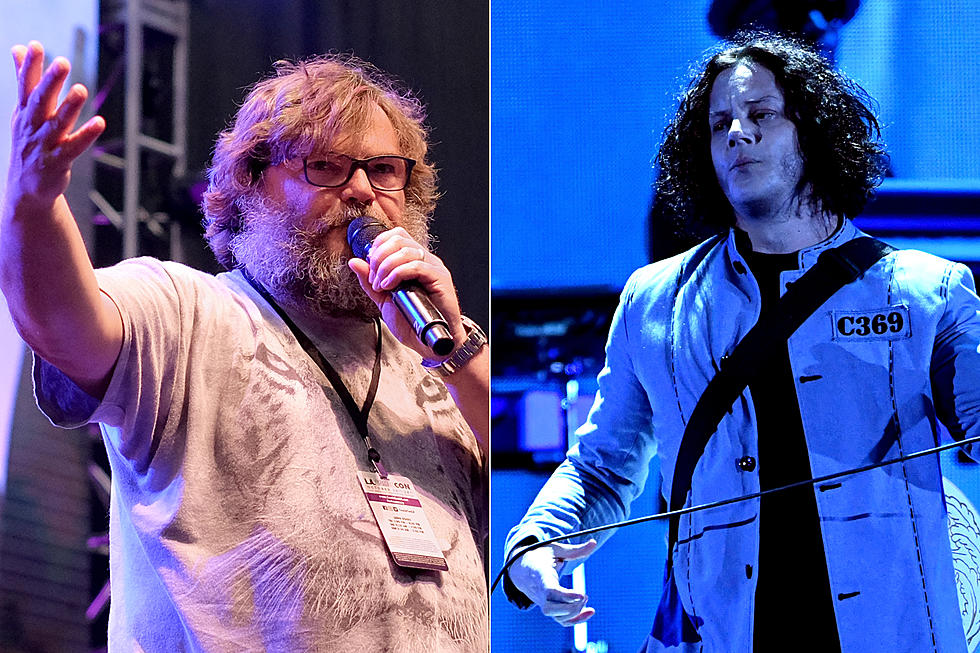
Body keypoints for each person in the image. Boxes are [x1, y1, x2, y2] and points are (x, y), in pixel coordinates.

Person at [2, 41, 488, 651]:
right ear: (251, 184)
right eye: (328, 166)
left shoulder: (437, 355)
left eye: (385, 170)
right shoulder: (188, 311)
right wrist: (32, 203)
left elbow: (554, 479)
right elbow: (62, 323)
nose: (364, 191)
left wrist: (456, 347)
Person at [503, 31, 980, 651]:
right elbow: (601, 466)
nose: (736, 134)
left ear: (814, 131)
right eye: (719, 122)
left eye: (761, 116)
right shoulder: (654, 299)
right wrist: (535, 546)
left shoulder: (927, 290)